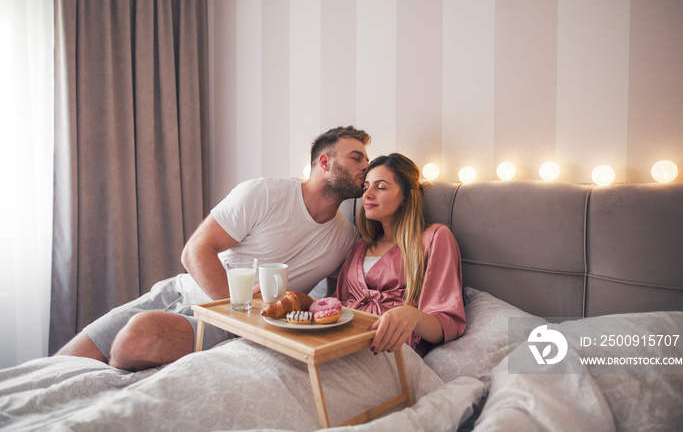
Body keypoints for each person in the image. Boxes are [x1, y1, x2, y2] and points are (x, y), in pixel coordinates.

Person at [56, 126, 371, 371]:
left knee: (137, 339)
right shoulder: (264, 193)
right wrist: (236, 305)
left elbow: (332, 303)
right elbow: (195, 250)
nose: (366, 167)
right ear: (324, 162)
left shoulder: (345, 239)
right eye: (357, 157)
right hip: (181, 293)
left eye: (368, 161)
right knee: (61, 364)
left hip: (225, 328)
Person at [334, 153, 466, 357]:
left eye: (381, 187)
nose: (367, 195)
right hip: (340, 342)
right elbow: (337, 304)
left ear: (405, 196)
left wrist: (413, 315)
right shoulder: (361, 246)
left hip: (390, 350)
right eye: (366, 186)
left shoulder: (434, 238)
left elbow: (447, 324)